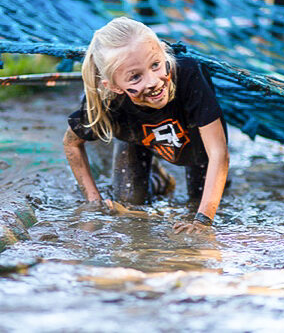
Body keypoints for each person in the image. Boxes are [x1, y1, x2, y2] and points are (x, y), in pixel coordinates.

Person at [63, 17, 229, 234]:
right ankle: (158, 179)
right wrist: (94, 201)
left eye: (155, 65)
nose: (152, 82)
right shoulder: (107, 102)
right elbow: (71, 143)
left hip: (199, 150)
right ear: (113, 86)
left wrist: (203, 220)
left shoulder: (188, 75)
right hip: (137, 142)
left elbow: (219, 153)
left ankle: (162, 180)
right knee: (128, 208)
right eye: (135, 77)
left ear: (163, 52)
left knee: (199, 206)